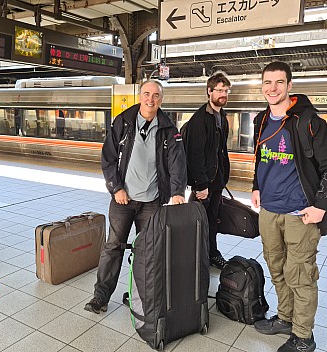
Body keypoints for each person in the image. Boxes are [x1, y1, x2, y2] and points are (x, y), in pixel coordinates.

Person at [251, 61, 327, 352]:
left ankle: (304, 336)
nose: (272, 88)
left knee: (300, 275)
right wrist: (256, 186)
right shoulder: (261, 120)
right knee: (276, 268)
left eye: (279, 82)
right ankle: (285, 317)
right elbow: (261, 157)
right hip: (269, 211)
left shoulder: (309, 122)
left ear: (289, 85)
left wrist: (321, 205)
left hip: (300, 214)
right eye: (267, 82)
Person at [84, 80, 187, 314]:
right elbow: (108, 159)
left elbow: (177, 164)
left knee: (146, 251)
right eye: (147, 94)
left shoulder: (169, 129)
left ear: (162, 99)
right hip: (123, 200)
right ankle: (100, 296)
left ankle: (137, 296)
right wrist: (116, 188)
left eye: (156, 95)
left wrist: (178, 192)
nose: (151, 99)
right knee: (113, 247)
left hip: (152, 202)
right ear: (140, 96)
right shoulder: (123, 122)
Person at [184, 72, 231, 270]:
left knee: (212, 221)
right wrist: (200, 185)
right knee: (199, 223)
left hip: (217, 181)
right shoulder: (200, 119)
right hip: (205, 183)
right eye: (219, 90)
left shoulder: (222, 116)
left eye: (226, 90)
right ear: (209, 91)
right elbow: (196, 155)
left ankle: (211, 253)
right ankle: (195, 258)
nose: (223, 94)